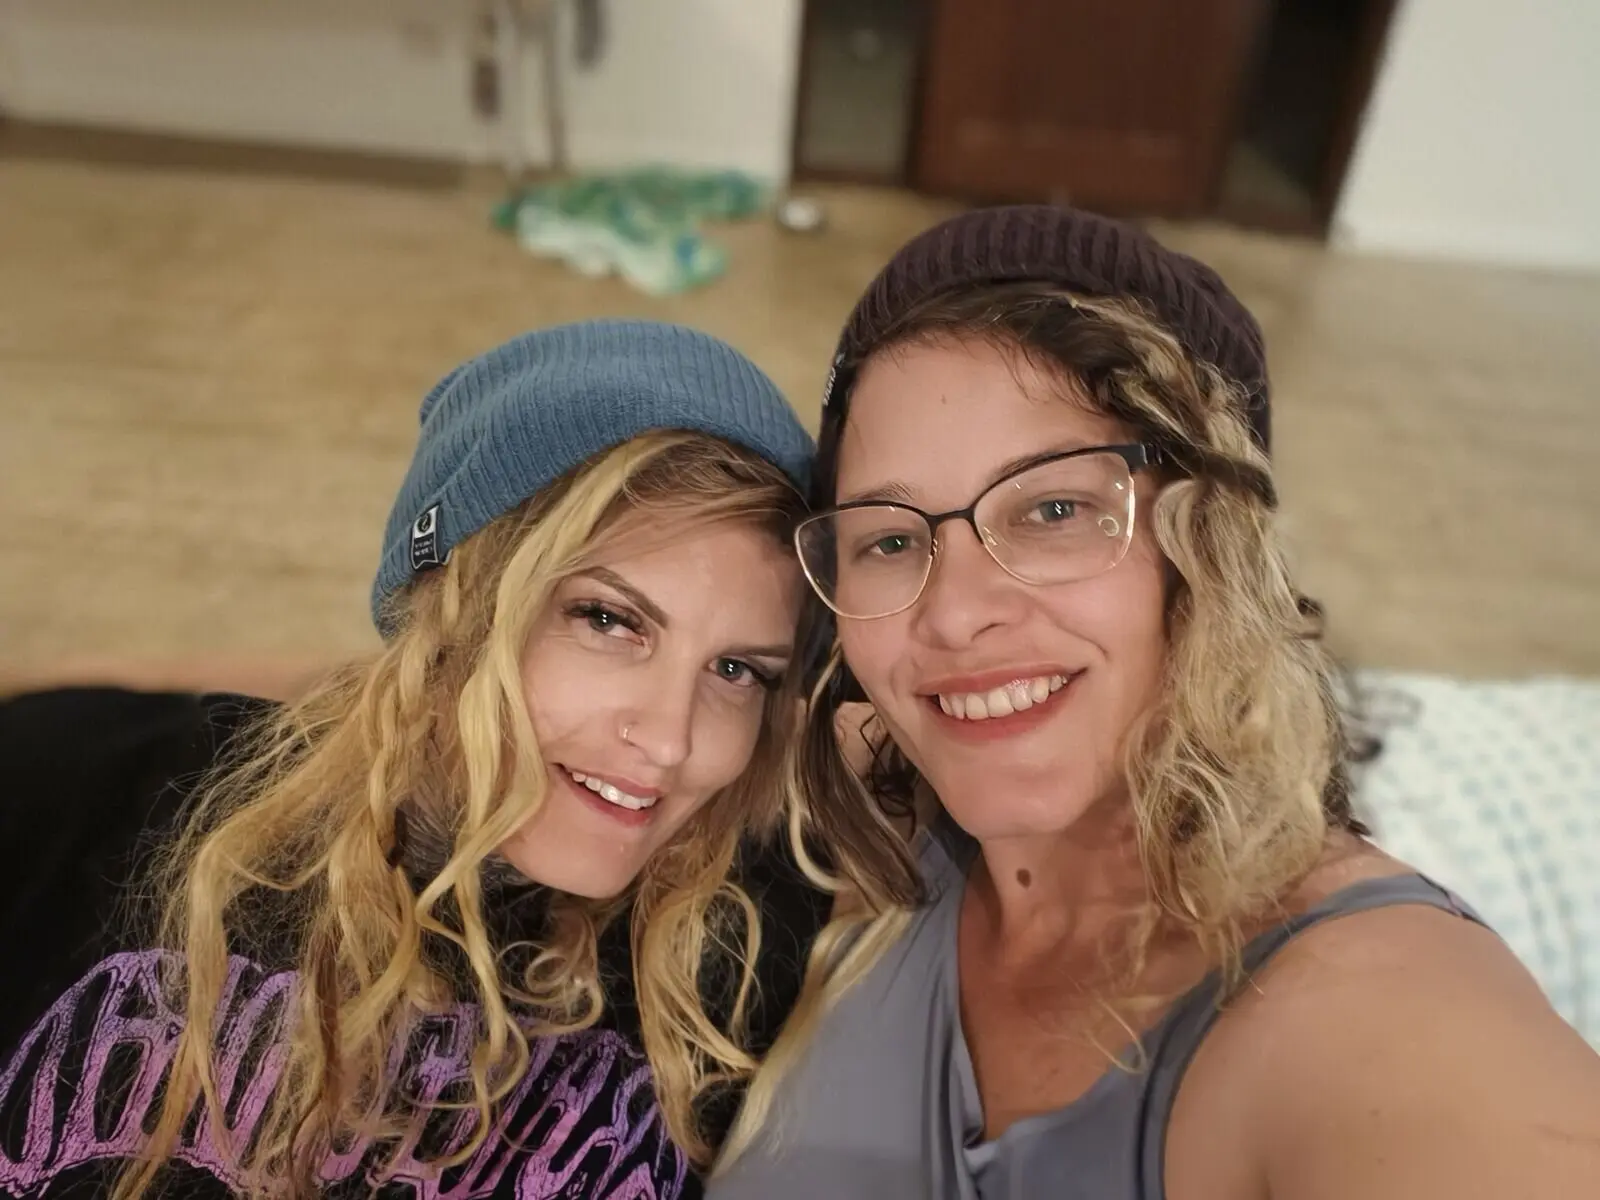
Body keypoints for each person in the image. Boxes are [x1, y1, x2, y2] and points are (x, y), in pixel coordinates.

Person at [710, 207, 1600, 1198]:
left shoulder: (1376, 1016)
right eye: (889, 539)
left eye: (1053, 509)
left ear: (1208, 550)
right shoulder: (871, 803)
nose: (954, 616)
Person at [0, 318, 830, 1200]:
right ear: (453, 606)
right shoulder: (86, 792)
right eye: (607, 620)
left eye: (737, 670)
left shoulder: (744, 955)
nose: (671, 741)